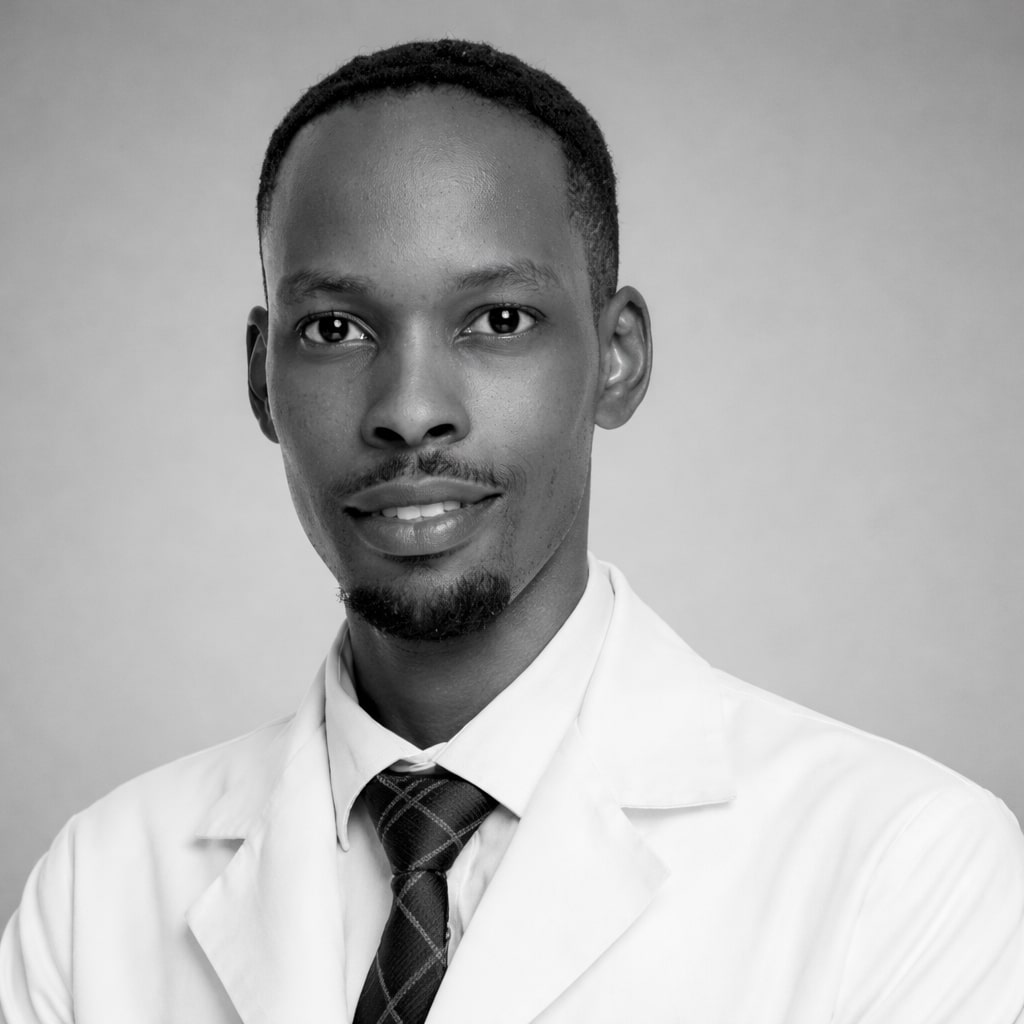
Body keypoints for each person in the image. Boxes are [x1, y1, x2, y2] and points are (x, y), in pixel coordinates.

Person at [2, 38, 1022, 1024]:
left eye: (497, 320)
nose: (410, 409)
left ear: (616, 357)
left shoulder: (902, 873)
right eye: (335, 329)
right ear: (262, 378)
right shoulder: (98, 892)